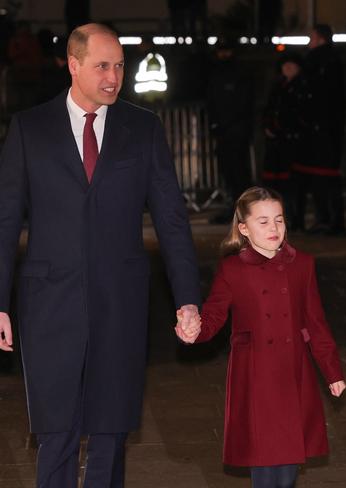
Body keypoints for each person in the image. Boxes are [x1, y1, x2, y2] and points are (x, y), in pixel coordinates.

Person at [0, 23, 201, 487]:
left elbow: (171, 218)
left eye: (119, 66)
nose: (114, 77)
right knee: (56, 432)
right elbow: (6, 220)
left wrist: (187, 297)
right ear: (73, 65)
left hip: (121, 300)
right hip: (48, 302)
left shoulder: (143, 128)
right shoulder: (29, 129)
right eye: (102, 66)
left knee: (110, 432)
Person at [178, 186, 346, 488]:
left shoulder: (302, 264)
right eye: (263, 221)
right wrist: (194, 330)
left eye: (279, 220)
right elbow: (214, 315)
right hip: (255, 376)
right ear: (244, 228)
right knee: (264, 464)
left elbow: (317, 322)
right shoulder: (233, 269)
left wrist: (332, 370)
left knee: (288, 467)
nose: (274, 228)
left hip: (293, 372)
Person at [300, 24, 346, 234]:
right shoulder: (327, 61)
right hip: (322, 128)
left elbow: (324, 96)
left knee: (325, 177)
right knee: (321, 177)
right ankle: (327, 218)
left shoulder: (323, 62)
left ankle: (329, 219)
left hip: (323, 129)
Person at [206, 39, 255, 223]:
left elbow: (242, 103)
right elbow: (212, 102)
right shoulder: (217, 73)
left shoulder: (239, 73)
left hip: (236, 131)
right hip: (225, 132)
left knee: (239, 172)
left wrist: (222, 124)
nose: (223, 55)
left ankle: (243, 209)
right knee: (228, 171)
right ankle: (235, 207)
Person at [262, 52, 312, 231]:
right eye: (285, 65)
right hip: (276, 143)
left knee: (293, 185)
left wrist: (283, 127)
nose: (287, 68)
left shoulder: (302, 87)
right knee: (276, 185)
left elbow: (299, 114)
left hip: (292, 143)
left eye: (291, 65)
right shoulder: (277, 86)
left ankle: (295, 218)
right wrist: (269, 126)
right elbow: (269, 109)